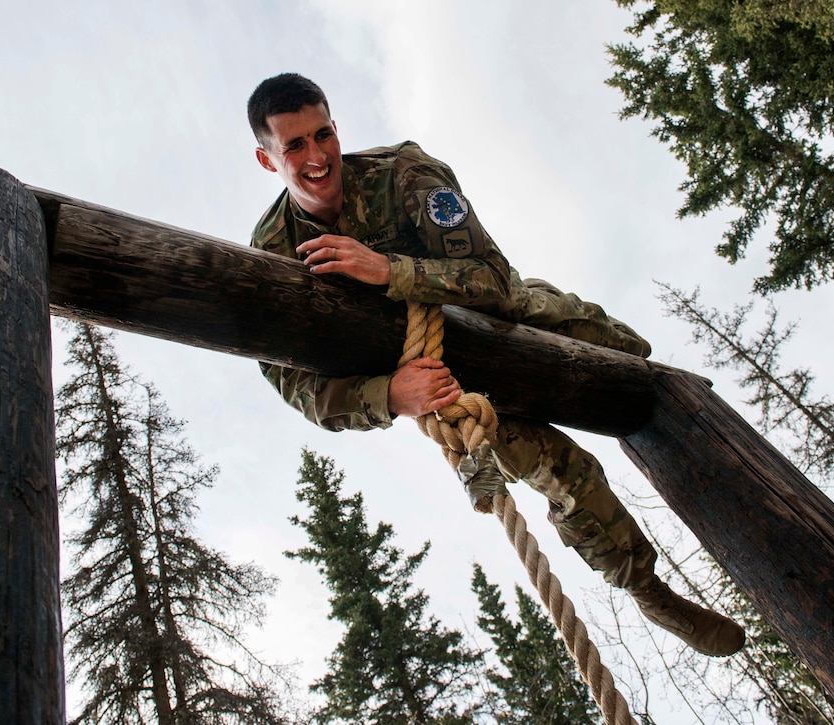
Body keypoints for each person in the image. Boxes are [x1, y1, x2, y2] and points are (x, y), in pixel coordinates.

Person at [247, 72, 745, 657]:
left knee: (618, 349)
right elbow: (295, 384)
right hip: (443, 386)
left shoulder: (404, 176)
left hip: (495, 317)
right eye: (295, 146)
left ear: (336, 127)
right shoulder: (273, 254)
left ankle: (685, 404)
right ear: (266, 158)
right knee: (564, 475)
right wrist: (391, 396)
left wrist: (388, 271)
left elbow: (493, 281)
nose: (317, 156)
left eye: (323, 134)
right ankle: (647, 590)